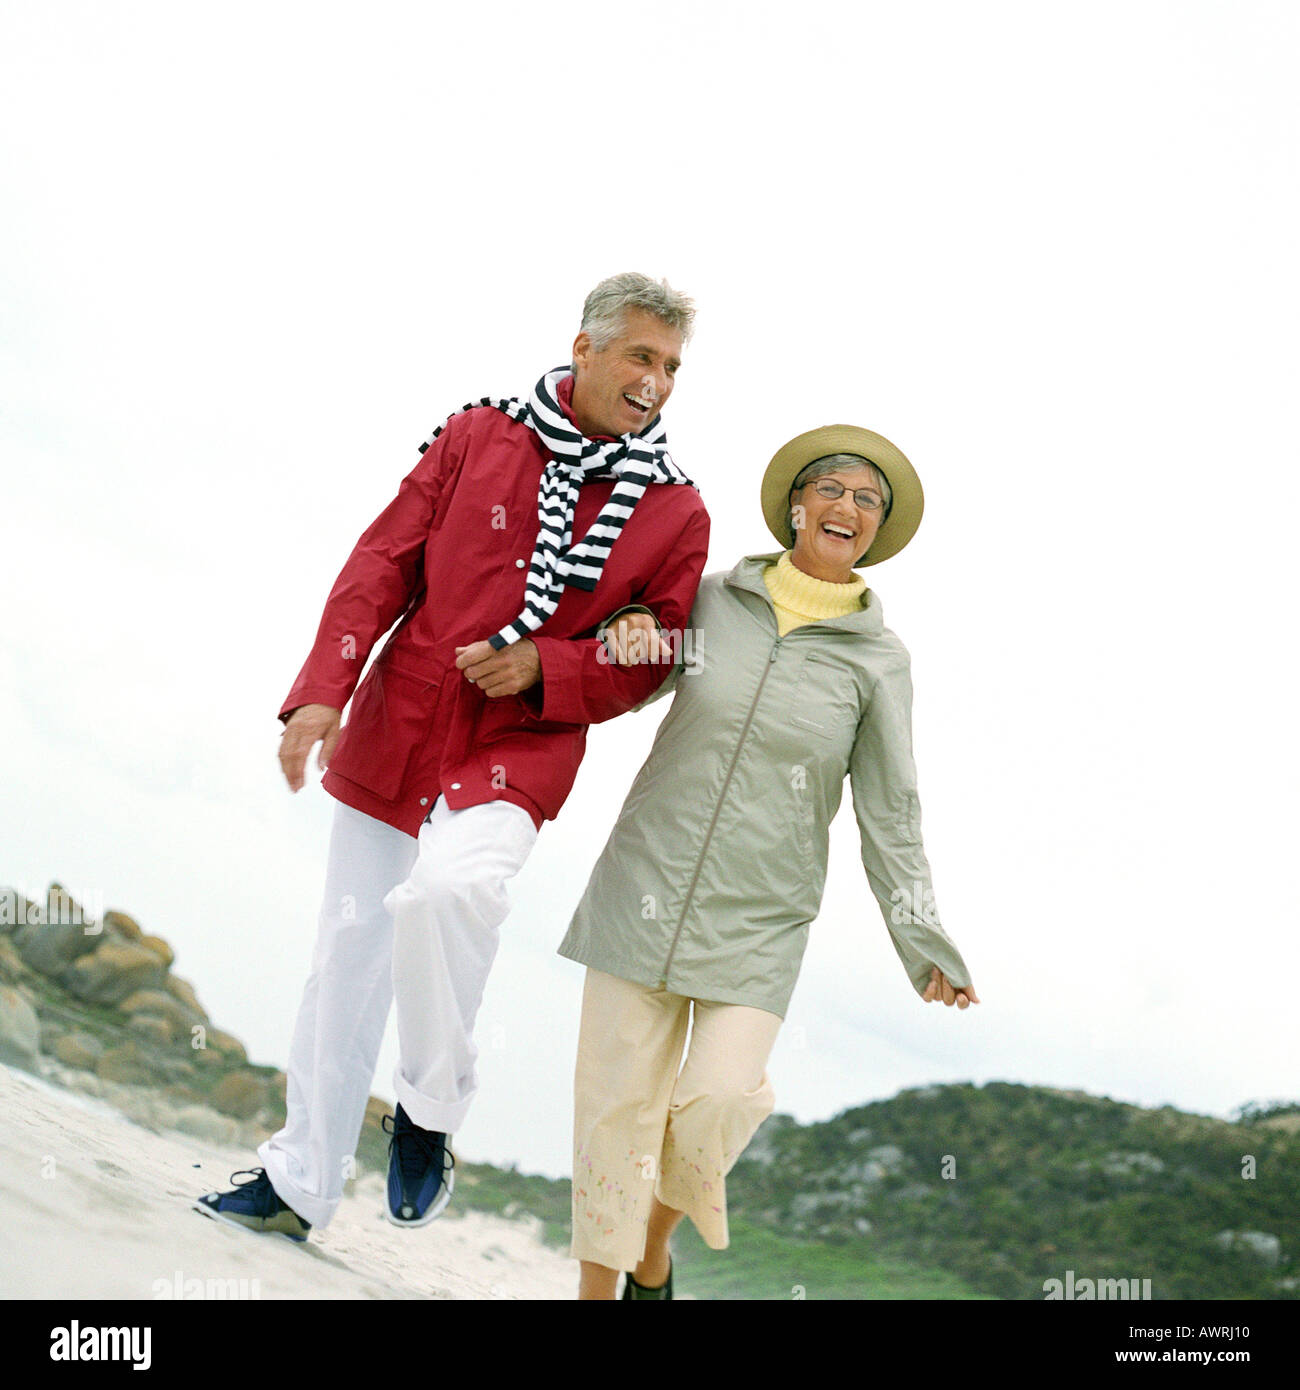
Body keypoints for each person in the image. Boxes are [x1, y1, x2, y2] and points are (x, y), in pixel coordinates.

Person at [193, 273, 710, 1242]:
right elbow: (383, 560)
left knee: (448, 892)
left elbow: (657, 654)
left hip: (521, 746)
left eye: (673, 366)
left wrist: (548, 664)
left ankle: (428, 1110)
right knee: (347, 953)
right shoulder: (478, 433)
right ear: (586, 347)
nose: (657, 381)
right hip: (404, 720)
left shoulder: (676, 511)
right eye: (641, 356)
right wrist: (319, 691)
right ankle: (298, 1179)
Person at [561, 424, 979, 1299]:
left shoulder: (878, 662)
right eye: (833, 488)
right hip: (644, 880)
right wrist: (626, 621)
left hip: (763, 918)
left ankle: (654, 1247)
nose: (848, 507)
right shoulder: (713, 601)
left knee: (716, 1099)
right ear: (797, 504)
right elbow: (615, 669)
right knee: (613, 1112)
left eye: (869, 501)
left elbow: (889, 811)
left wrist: (923, 937)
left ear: (874, 534)